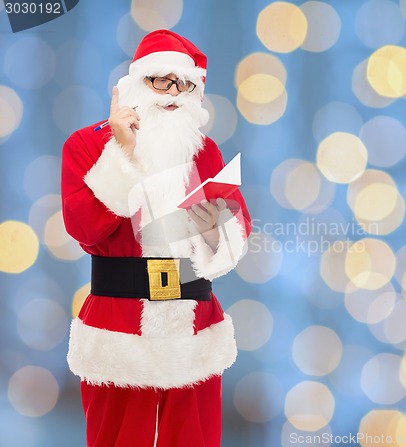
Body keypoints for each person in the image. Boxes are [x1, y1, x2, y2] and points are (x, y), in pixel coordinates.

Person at [61, 29, 251, 447]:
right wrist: (123, 155)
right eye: (158, 80)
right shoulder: (86, 146)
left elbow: (237, 233)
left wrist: (217, 230)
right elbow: (85, 230)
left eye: (182, 83)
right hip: (119, 334)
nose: (171, 92)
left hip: (195, 333)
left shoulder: (207, 153)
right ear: (134, 85)